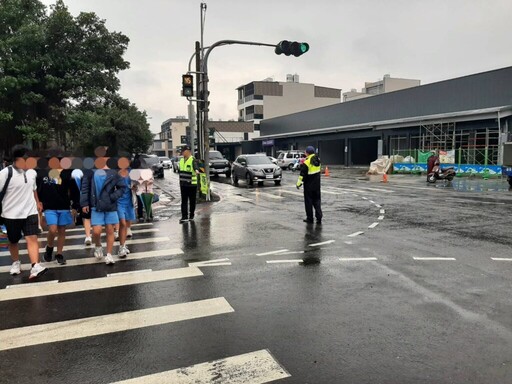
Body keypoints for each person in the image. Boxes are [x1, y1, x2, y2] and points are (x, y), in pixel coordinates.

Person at [0, 145, 48, 279]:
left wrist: (38, 202)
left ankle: (35, 266)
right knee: (13, 240)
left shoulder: (32, 172)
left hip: (30, 211)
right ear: (17, 159)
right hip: (11, 214)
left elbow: (33, 189)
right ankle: (16, 262)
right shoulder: (5, 173)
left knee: (32, 237)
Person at [80, 167, 126, 265]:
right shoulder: (90, 170)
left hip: (110, 206)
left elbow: (122, 187)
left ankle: (109, 254)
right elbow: (84, 187)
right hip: (96, 206)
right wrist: (84, 203)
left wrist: (113, 196)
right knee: (97, 231)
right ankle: (98, 245)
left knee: (110, 230)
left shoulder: (113, 171)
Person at [37, 168, 80, 265]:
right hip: (49, 207)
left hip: (63, 206)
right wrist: (38, 201)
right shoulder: (43, 172)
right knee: (52, 229)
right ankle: (49, 247)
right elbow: (37, 188)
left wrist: (75, 206)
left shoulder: (67, 173)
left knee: (61, 231)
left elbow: (74, 190)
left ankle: (59, 254)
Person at [296, 146, 323, 224]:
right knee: (317, 202)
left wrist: (298, 184)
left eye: (305, 152)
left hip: (309, 187)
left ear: (307, 153)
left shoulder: (307, 162)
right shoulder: (318, 160)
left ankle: (310, 219)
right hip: (317, 186)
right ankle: (319, 217)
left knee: (309, 203)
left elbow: (302, 175)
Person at [116, 169, 136, 258]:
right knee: (122, 223)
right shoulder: (115, 173)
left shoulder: (131, 172)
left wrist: (135, 186)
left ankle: (123, 245)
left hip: (129, 202)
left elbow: (137, 185)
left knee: (126, 224)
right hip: (119, 202)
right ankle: (121, 247)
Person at [178, 145, 199, 224]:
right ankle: (184, 216)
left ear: (187, 151)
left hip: (191, 184)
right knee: (184, 201)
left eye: (183, 151)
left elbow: (195, 166)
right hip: (183, 184)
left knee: (192, 201)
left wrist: (196, 170)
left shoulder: (193, 160)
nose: (182, 153)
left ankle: (191, 215)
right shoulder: (181, 160)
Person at [71, 169, 93, 246]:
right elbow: (82, 187)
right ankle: (88, 236)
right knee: (87, 215)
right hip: (85, 194)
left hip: (93, 195)